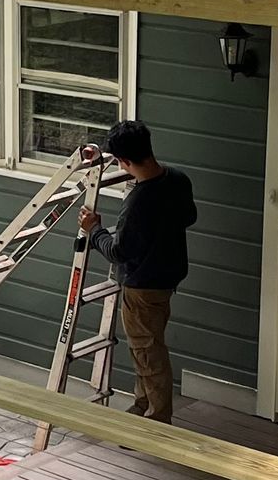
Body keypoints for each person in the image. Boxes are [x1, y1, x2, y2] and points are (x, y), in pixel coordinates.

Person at [78, 118, 197, 424]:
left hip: (142, 286)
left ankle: (157, 419)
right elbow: (188, 217)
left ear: (123, 161)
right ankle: (142, 404)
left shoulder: (140, 201)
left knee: (148, 352)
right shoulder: (178, 180)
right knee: (145, 345)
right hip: (167, 278)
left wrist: (95, 231)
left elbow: (119, 252)